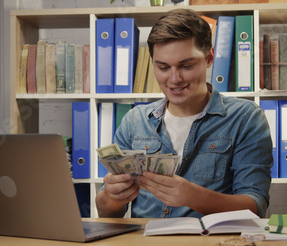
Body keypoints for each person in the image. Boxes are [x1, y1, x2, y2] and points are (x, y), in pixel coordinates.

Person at [95, 9, 272, 219]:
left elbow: (255, 207)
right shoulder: (135, 120)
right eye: (163, 67)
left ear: (209, 58)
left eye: (186, 66)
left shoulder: (246, 118)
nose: (174, 79)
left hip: (208, 245)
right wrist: (110, 196)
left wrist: (193, 196)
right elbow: (109, 213)